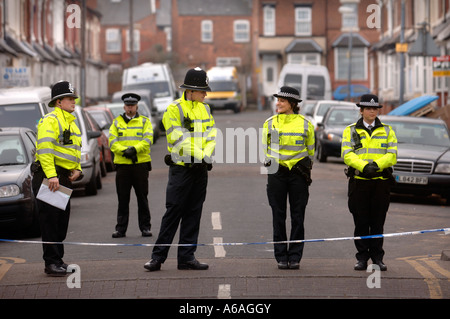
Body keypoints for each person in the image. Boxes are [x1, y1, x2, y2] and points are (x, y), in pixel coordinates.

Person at [144, 67, 216, 272]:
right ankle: (157, 258)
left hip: (200, 169)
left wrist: (207, 154)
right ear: (191, 91)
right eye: (202, 91)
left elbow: (212, 135)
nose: (205, 94)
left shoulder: (206, 109)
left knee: (194, 213)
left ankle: (186, 257)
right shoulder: (174, 110)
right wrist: (202, 155)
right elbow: (177, 138)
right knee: (173, 212)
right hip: (181, 169)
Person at [341, 94, 397, 271]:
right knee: (361, 222)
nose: (372, 111)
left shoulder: (388, 130)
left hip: (380, 183)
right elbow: (347, 154)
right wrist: (364, 166)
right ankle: (362, 258)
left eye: (375, 108)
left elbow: (392, 154)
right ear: (361, 110)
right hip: (359, 182)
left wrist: (377, 165)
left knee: (378, 222)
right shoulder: (350, 130)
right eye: (368, 108)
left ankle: (377, 258)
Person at [31, 81, 82, 276]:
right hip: (49, 177)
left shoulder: (71, 121)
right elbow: (45, 150)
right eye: (70, 99)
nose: (74, 102)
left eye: (74, 99)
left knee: (61, 222)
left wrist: (77, 169)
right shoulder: (50, 120)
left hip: (62, 177)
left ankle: (58, 260)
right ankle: (51, 263)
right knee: (50, 222)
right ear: (59, 102)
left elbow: (73, 150)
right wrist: (52, 175)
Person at [262, 86, 315, 270]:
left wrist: (301, 167)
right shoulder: (269, 123)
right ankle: (281, 257)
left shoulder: (306, 124)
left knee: (298, 216)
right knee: (278, 215)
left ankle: (295, 257)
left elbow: (311, 151)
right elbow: (266, 149)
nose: (278, 103)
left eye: (282, 101)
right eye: (278, 100)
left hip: (298, 174)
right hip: (277, 173)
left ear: (292, 104)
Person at [109, 93, 153, 238]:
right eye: (128, 106)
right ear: (124, 106)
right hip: (123, 166)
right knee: (123, 199)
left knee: (142, 198)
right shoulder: (116, 123)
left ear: (136, 106)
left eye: (132, 106)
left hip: (140, 165)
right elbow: (112, 142)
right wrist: (125, 152)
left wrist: (134, 150)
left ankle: (145, 228)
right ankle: (121, 229)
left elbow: (148, 140)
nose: (130, 108)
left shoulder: (144, 122)